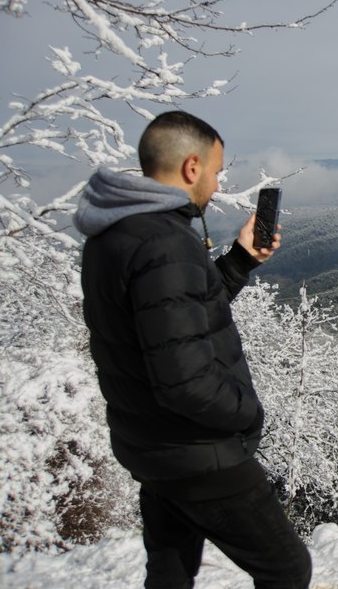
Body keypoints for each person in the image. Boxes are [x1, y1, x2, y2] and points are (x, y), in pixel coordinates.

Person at [73, 111, 312, 589]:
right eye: (217, 170)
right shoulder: (165, 243)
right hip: (199, 452)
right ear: (191, 167)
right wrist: (247, 412)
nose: (218, 181)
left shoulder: (115, 235)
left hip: (150, 444)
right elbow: (185, 380)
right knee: (286, 569)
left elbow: (176, 323)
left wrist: (241, 260)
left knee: (170, 570)